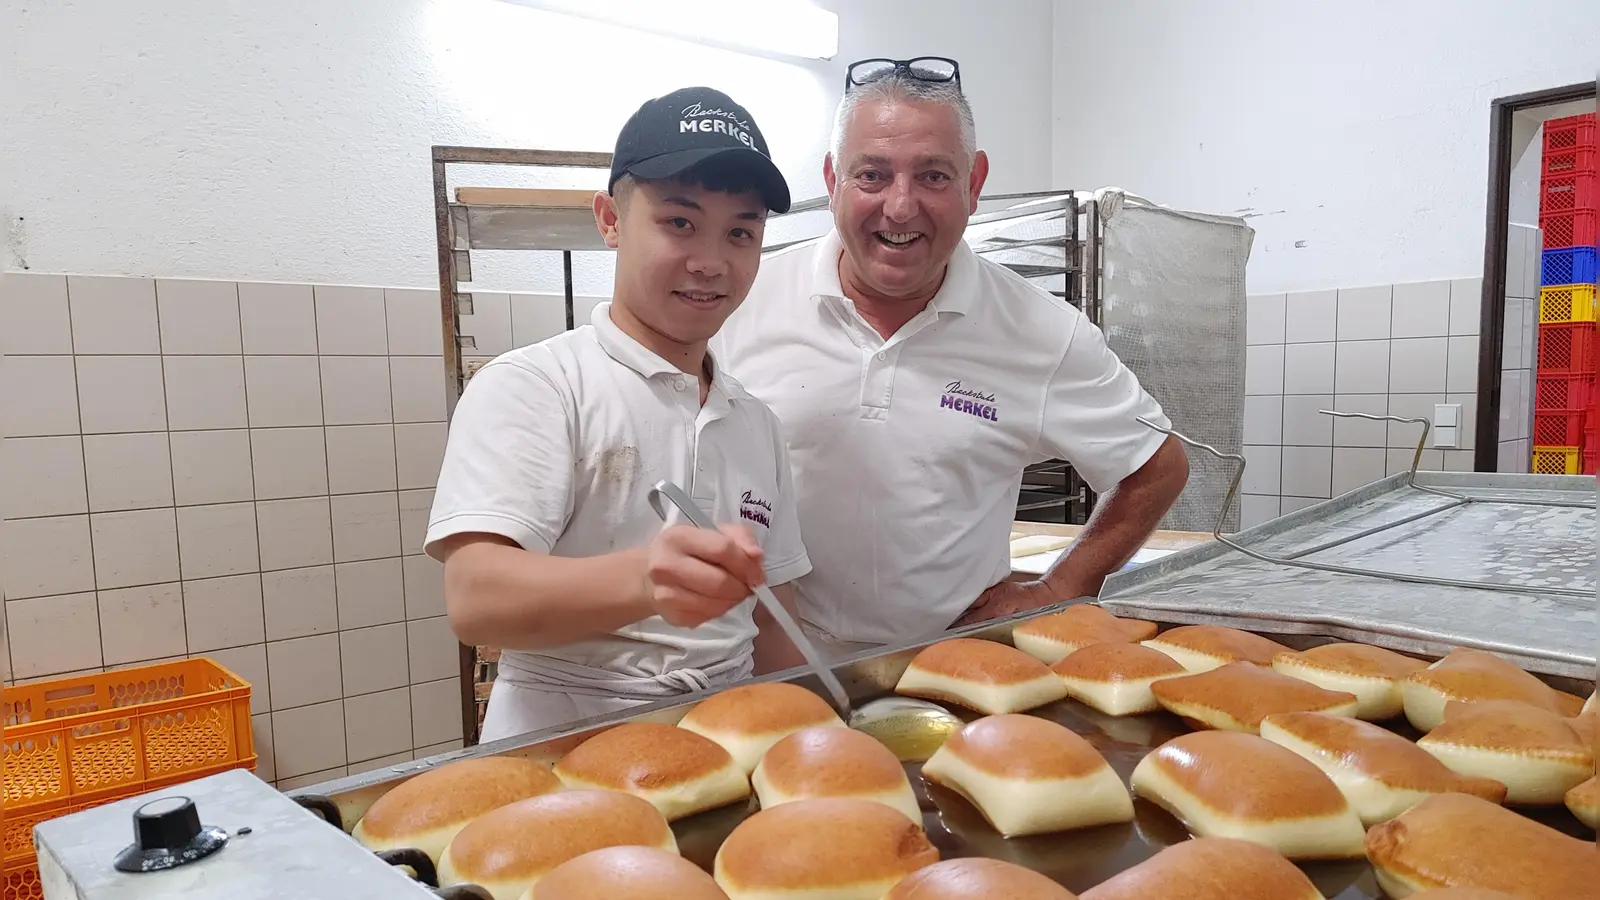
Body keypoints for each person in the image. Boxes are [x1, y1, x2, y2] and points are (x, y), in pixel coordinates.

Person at [713, 57, 1190, 662]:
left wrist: (1064, 583)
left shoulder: (1040, 332)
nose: (901, 206)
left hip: (954, 661)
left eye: (934, 176)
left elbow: (1157, 464)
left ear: (974, 182)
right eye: (873, 175)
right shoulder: (745, 298)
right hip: (769, 661)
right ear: (833, 179)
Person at [425, 87, 810, 742]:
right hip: (564, 743)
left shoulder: (754, 422)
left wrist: (822, 732)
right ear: (609, 219)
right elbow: (475, 597)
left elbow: (772, 619)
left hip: (727, 739)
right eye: (679, 223)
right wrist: (642, 578)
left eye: (740, 232)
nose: (711, 262)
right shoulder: (536, 385)